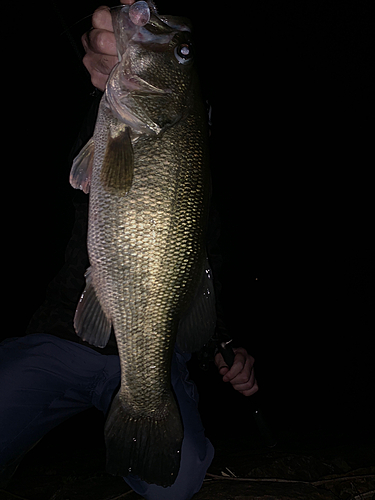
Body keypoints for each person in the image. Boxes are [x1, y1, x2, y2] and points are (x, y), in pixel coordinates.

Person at [0, 1, 258, 499]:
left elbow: (199, 278)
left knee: (176, 483)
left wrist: (224, 346)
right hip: (65, 337)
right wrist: (109, 69)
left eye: (182, 52)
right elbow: (92, 161)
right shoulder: (119, 122)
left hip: (154, 358)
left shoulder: (201, 190)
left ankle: (145, 408)